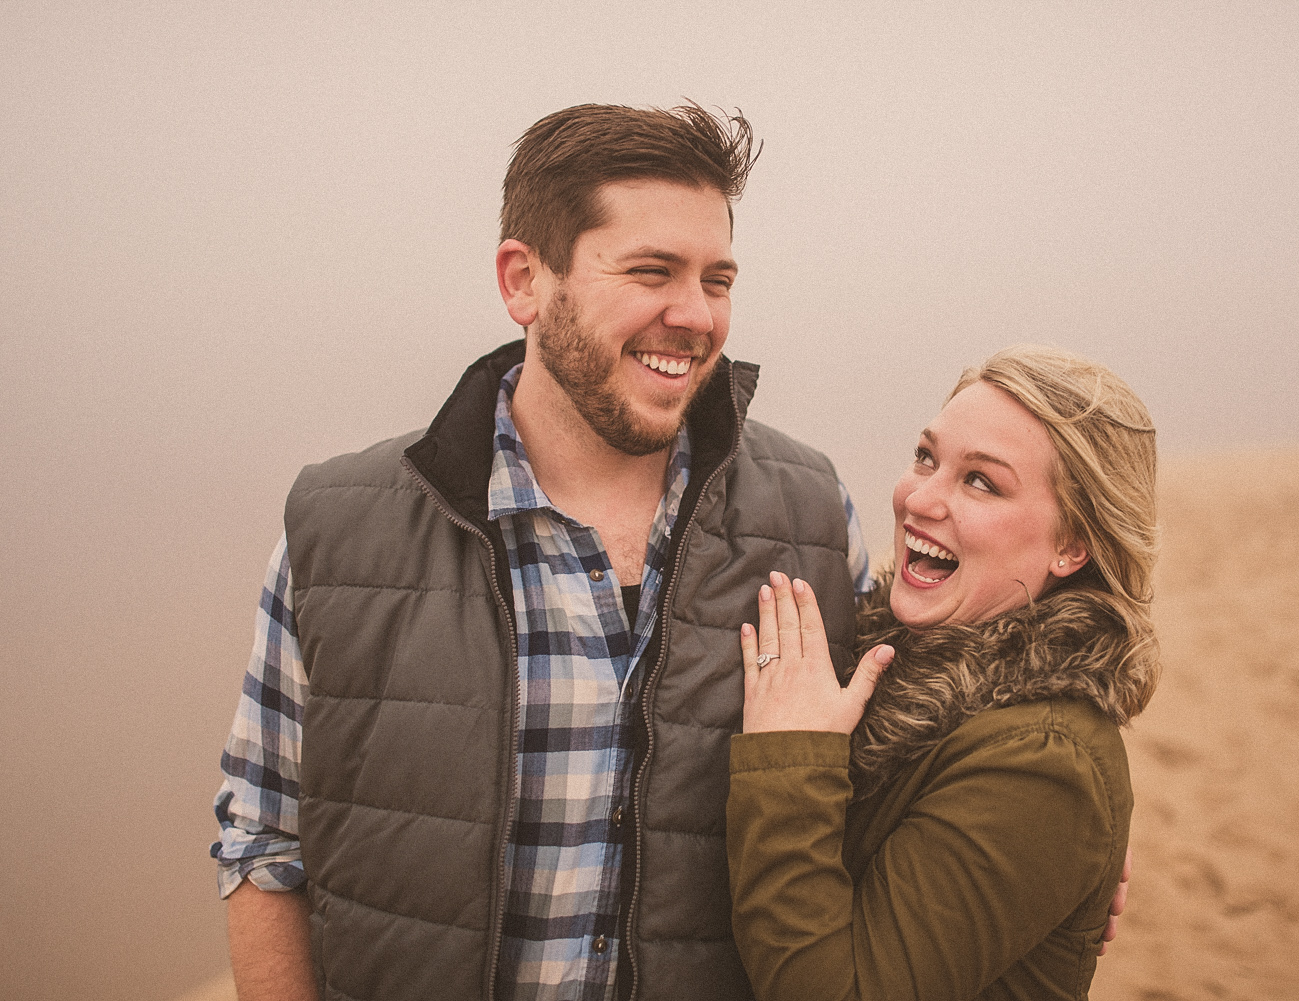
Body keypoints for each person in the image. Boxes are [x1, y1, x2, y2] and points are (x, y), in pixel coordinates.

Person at [210, 103, 874, 1001]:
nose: (697, 315)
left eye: (717, 279)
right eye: (651, 271)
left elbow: (887, 810)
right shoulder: (339, 529)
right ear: (524, 280)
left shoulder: (812, 517)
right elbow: (264, 837)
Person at [727, 344, 1157, 999]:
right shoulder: (891, 664)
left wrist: (789, 757)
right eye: (926, 457)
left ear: (1072, 545)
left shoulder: (1045, 765)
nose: (919, 498)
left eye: (981, 481)